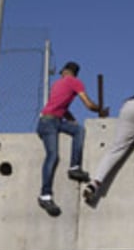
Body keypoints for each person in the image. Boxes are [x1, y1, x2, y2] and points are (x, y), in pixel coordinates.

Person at [37, 61, 104, 217]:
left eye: (62, 72)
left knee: (78, 129)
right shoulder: (75, 82)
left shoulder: (57, 84)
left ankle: (74, 168)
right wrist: (99, 108)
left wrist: (71, 119)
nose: (61, 74)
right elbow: (88, 104)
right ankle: (45, 196)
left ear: (66, 71)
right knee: (52, 156)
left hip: (50, 121)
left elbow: (61, 107)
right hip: (49, 124)